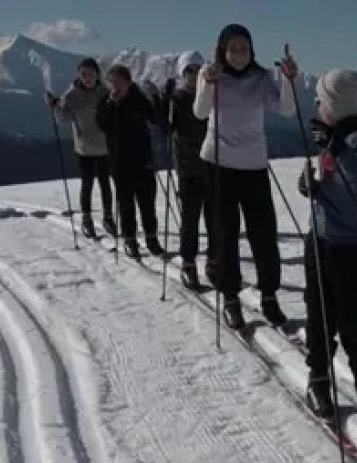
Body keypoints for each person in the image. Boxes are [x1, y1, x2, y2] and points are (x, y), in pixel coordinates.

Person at [295, 68, 357, 419]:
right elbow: (333, 181)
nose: (317, 105)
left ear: (335, 105)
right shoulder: (334, 137)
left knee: (356, 319)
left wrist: (335, 147)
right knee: (319, 314)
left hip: (355, 244)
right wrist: (313, 185)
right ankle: (319, 377)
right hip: (321, 239)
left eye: (321, 100)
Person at [193, 23, 299, 330]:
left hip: (253, 164)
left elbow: (287, 110)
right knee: (224, 233)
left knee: (263, 234)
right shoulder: (211, 74)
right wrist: (207, 83)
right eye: (234, 48)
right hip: (219, 162)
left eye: (245, 48)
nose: (240, 54)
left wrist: (289, 80)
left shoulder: (262, 78)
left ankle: (269, 295)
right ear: (222, 50)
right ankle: (231, 297)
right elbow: (200, 112)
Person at [158, 50, 213, 290]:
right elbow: (166, 129)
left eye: (196, 70)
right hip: (189, 167)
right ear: (183, 73)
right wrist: (163, 102)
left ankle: (213, 259)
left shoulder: (211, 95)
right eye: (188, 71)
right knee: (190, 219)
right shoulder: (177, 99)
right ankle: (189, 263)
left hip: (212, 165)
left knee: (214, 218)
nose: (192, 75)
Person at [96, 64, 162, 258]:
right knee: (125, 204)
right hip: (119, 162)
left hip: (142, 160)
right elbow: (102, 124)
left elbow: (155, 118)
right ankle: (130, 240)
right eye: (112, 82)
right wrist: (110, 104)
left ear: (128, 82)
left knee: (147, 202)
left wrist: (157, 99)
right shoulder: (106, 102)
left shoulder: (139, 99)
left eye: (119, 82)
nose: (115, 86)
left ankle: (151, 238)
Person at [46, 57, 115, 239]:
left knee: (105, 184)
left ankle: (107, 217)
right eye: (84, 74)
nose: (87, 77)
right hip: (85, 149)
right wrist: (56, 107)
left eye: (90, 74)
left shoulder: (104, 92)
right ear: (79, 75)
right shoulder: (71, 95)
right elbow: (64, 119)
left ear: (97, 75)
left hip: (104, 146)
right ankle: (87, 219)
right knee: (88, 184)